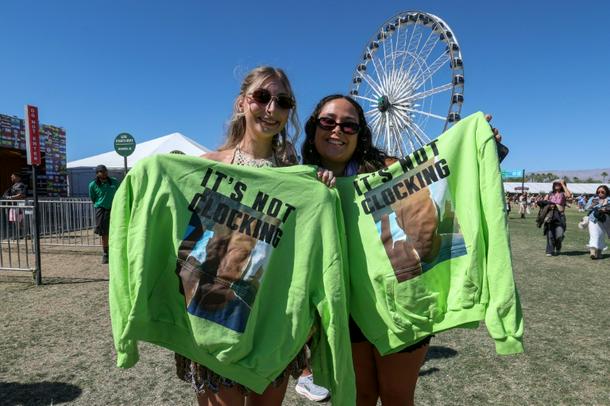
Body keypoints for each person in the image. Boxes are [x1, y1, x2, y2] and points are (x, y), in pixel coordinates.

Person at [175, 66, 317, 406]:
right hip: (214, 317)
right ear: (242, 103)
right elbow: (184, 243)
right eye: (262, 97)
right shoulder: (208, 166)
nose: (271, 109)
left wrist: (320, 187)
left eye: (283, 102)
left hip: (272, 320)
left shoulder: (297, 180)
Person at [88, 165, 119, 264]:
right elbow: (93, 198)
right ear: (97, 173)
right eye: (101, 171)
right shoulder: (93, 185)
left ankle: (115, 251)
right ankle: (106, 253)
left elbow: (120, 193)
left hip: (114, 209)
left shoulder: (114, 181)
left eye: (105, 171)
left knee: (116, 230)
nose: (104, 173)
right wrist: (100, 204)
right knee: (104, 233)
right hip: (101, 210)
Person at [542, 180, 572, 256]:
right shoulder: (550, 193)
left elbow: (569, 195)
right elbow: (544, 202)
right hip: (550, 215)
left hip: (560, 216)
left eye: (559, 184)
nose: (557, 185)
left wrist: (563, 184)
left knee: (559, 235)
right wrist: (548, 205)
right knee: (550, 234)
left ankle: (558, 247)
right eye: (555, 184)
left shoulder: (563, 193)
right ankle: (550, 251)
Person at [583, 185, 610, 259]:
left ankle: (599, 253)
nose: (600, 193)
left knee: (601, 236)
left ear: (606, 192)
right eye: (598, 192)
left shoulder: (609, 199)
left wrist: (605, 208)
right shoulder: (594, 198)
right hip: (593, 219)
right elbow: (586, 208)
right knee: (594, 235)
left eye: (602, 192)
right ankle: (592, 252)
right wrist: (592, 205)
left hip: (604, 220)